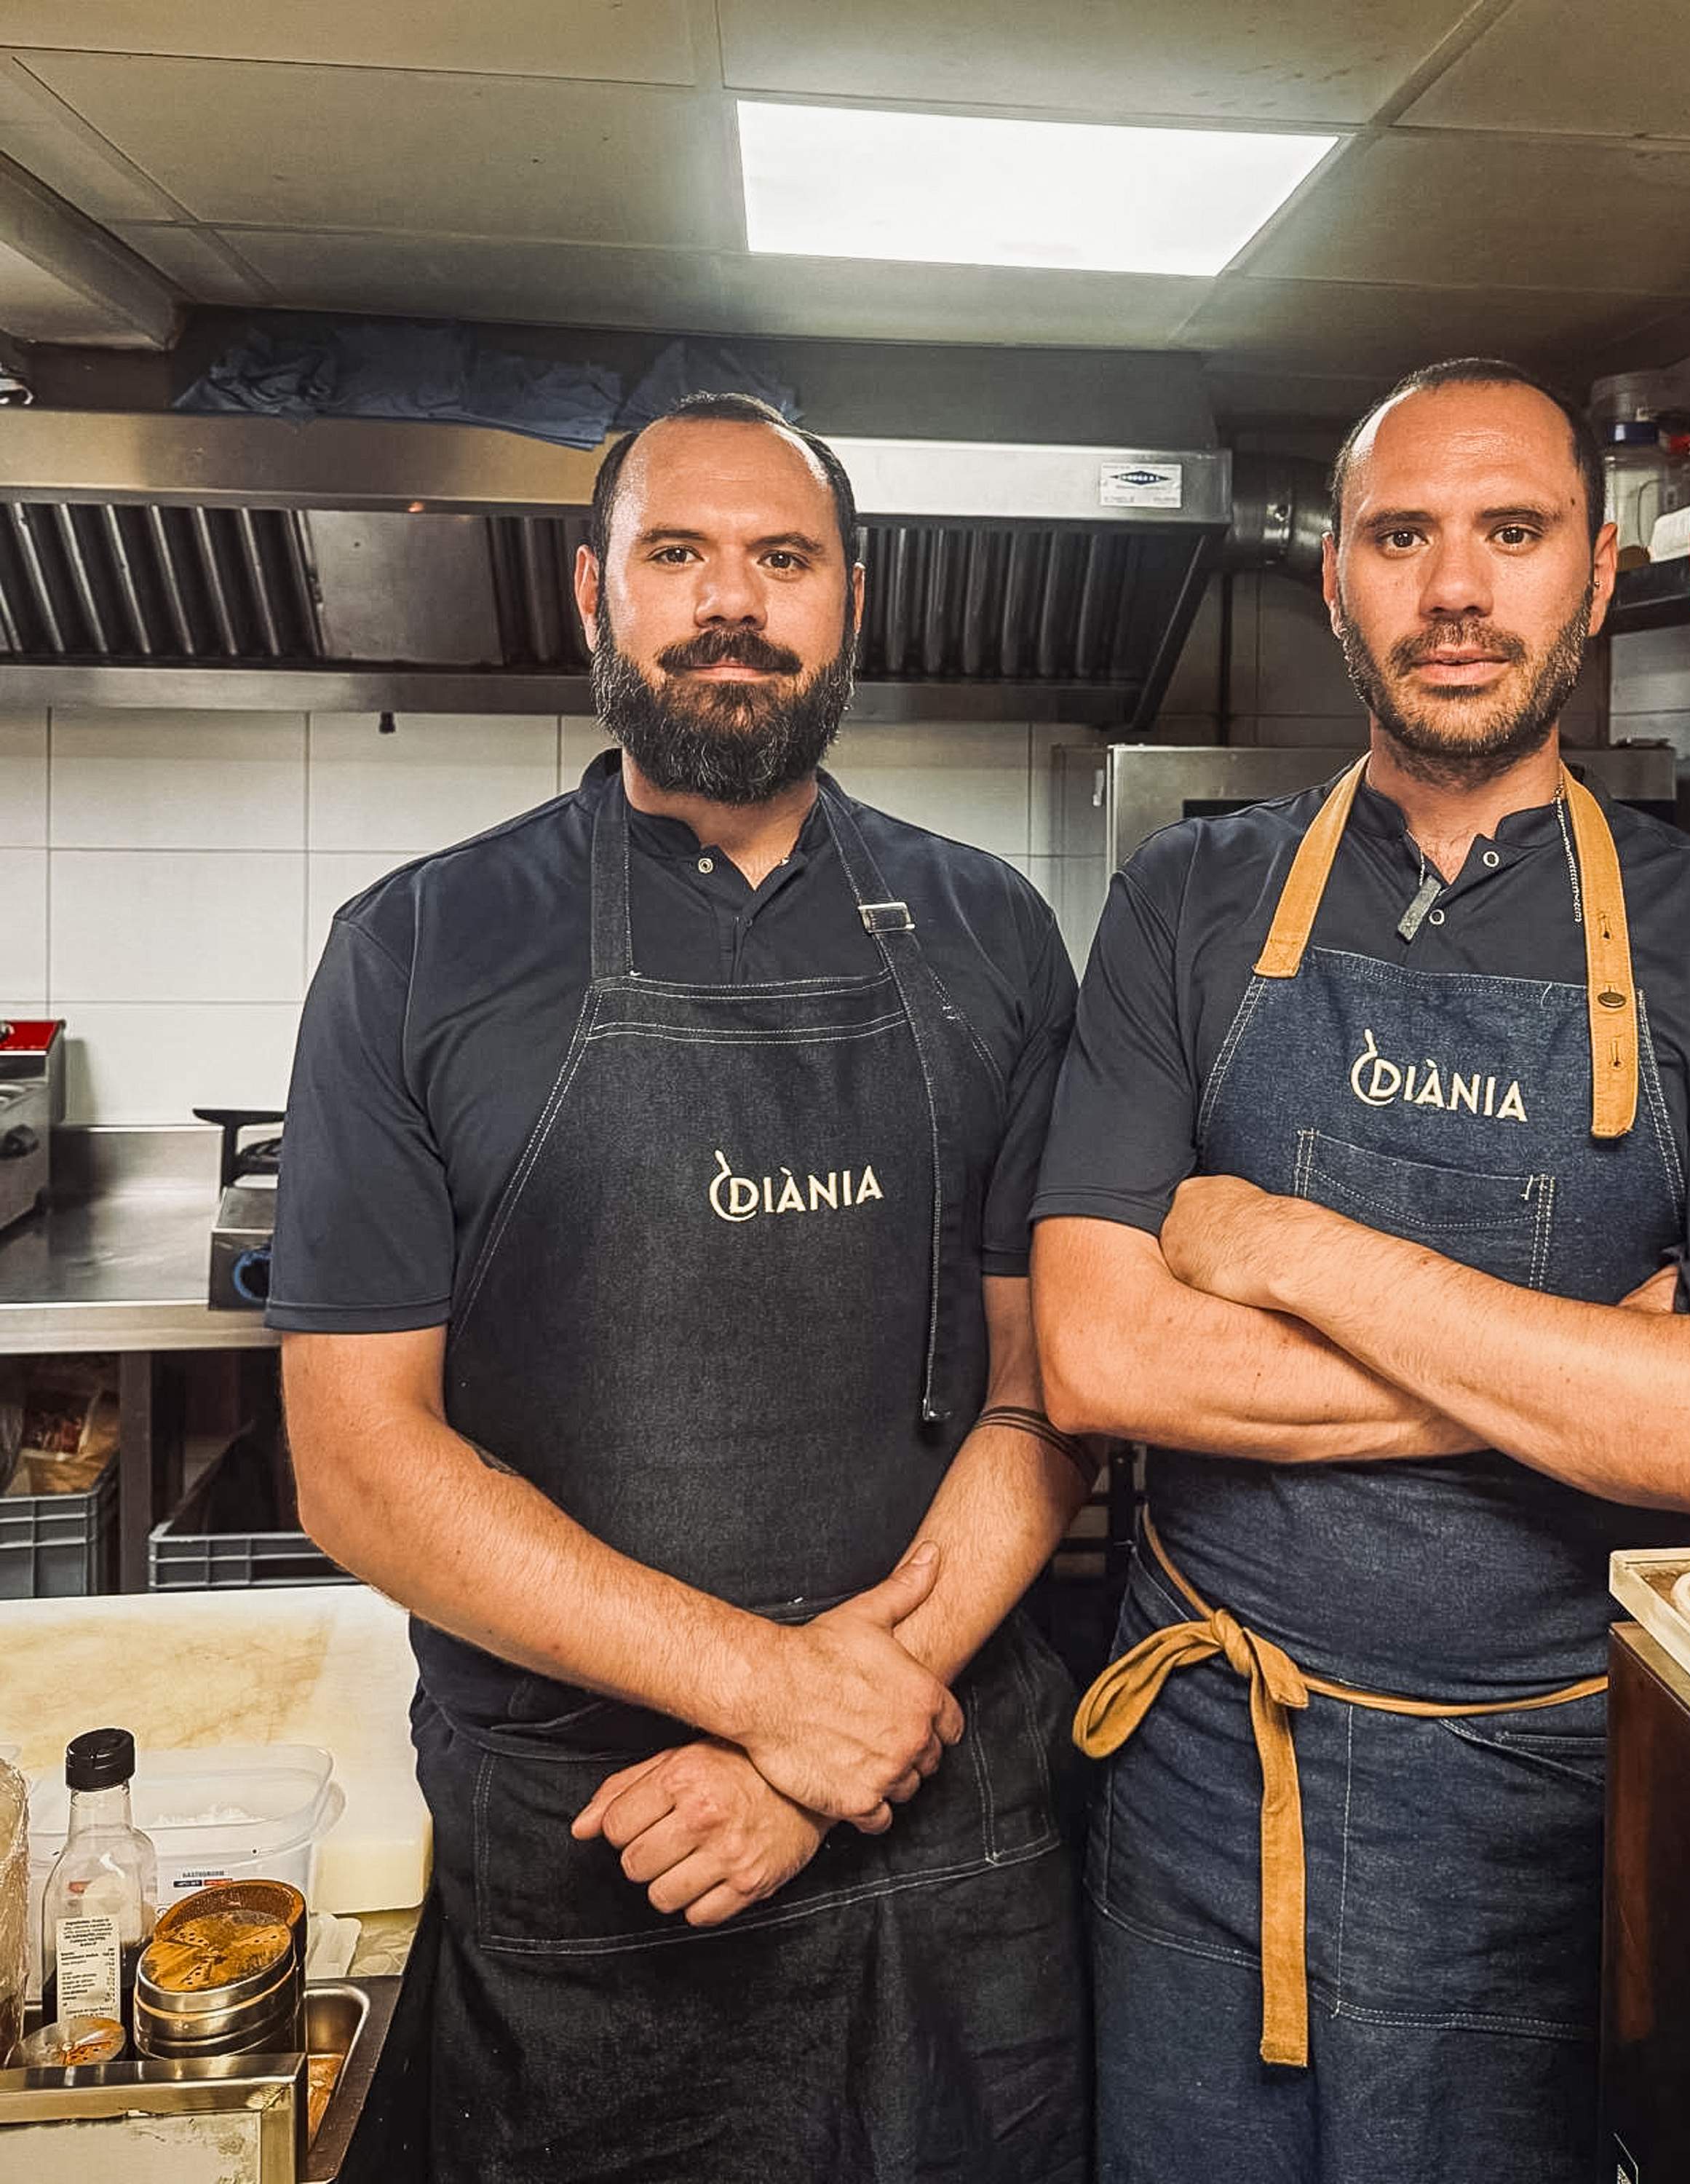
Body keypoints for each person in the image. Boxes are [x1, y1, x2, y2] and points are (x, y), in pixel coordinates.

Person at [1030, 358, 1690, 2184]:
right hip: (1200, 1772)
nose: (1452, 589)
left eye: (1511, 533)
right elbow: (1097, 1359)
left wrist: (1281, 1248)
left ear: (1591, 576)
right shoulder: (1189, 904)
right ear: (1331, 576)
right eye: (1398, 535)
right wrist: (1597, 1387)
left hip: (1551, 1811)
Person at [271, 391, 1092, 2183]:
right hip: (593, 1844)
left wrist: (821, 1741)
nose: (733, 600)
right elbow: (356, 1461)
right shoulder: (414, 950)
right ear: (593, 593)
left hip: (944, 1829)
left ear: (849, 604)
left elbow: (1046, 1399)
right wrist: (770, 1692)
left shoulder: (992, 934)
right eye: (678, 554)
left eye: (782, 558)